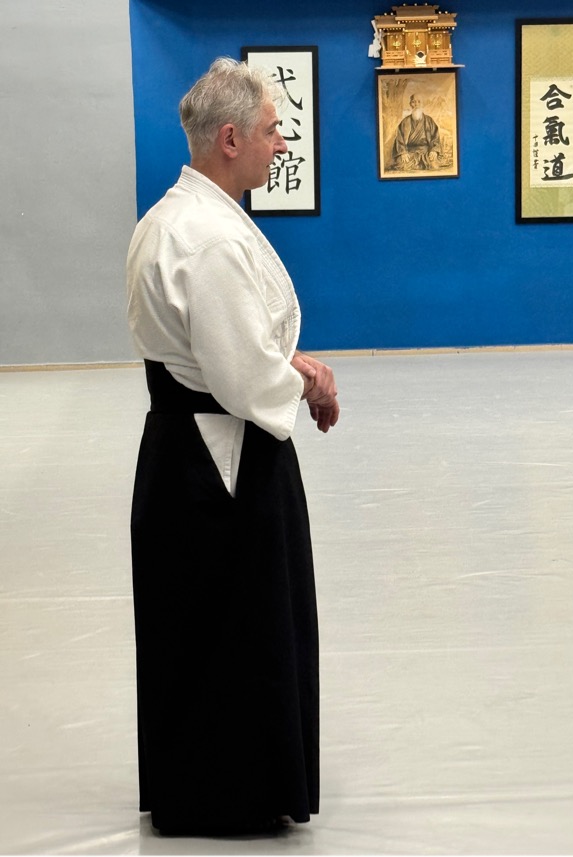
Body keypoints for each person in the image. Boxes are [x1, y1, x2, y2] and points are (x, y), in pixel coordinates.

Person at [126, 57, 339, 837]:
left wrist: (289, 364)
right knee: (236, 622)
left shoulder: (171, 217)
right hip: (222, 460)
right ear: (229, 139)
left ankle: (200, 781)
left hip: (184, 448)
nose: (281, 144)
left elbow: (225, 348)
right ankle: (232, 792)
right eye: (273, 130)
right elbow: (242, 374)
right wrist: (307, 384)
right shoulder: (209, 237)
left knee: (198, 621)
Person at [392, 93, 441, 171]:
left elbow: (435, 137)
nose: (416, 104)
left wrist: (434, 150)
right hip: (410, 153)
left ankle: (420, 164)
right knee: (401, 164)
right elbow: (399, 139)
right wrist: (403, 152)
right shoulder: (405, 121)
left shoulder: (429, 120)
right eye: (413, 102)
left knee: (434, 165)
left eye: (419, 101)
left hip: (426, 153)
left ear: (422, 104)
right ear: (410, 104)